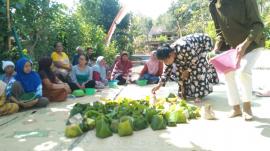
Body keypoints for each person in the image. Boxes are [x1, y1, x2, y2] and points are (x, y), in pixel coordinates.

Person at [209, 0, 265, 120]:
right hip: (233, 48)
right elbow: (219, 31)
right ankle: (235, 108)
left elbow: (258, 24)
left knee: (244, 71)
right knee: (228, 73)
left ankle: (247, 107)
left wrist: (245, 44)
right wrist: (216, 48)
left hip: (252, 44)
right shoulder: (213, 4)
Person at [152, 33, 219, 103]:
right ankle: (185, 92)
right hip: (189, 53)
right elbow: (167, 70)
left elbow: (195, 60)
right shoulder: (169, 55)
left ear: (171, 54)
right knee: (181, 71)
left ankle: (199, 95)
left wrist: (187, 70)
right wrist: (159, 85)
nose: (165, 63)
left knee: (198, 68)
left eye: (165, 60)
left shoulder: (184, 47)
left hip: (204, 44)